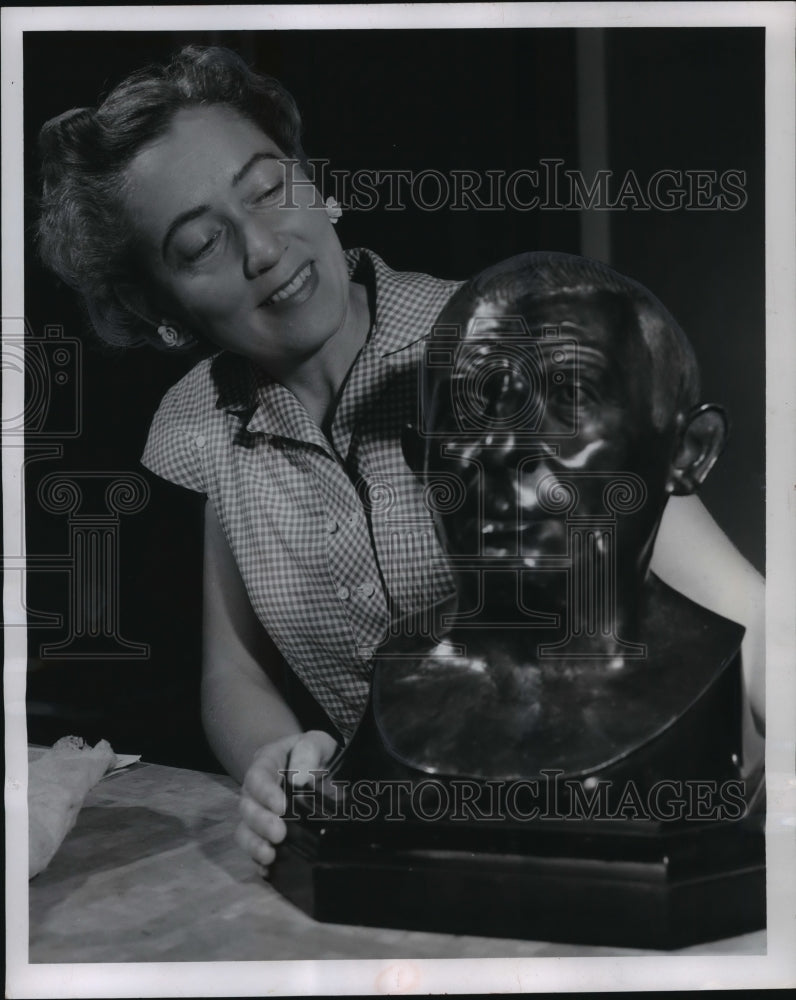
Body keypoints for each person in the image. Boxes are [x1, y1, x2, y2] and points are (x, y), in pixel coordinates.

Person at [37, 45, 765, 871]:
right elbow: (233, 671)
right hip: (405, 849)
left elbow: (740, 608)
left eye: (268, 189)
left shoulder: (503, 336)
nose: (263, 247)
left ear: (316, 182)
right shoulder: (199, 420)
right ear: (158, 308)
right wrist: (276, 761)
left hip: (597, 832)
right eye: (202, 243)